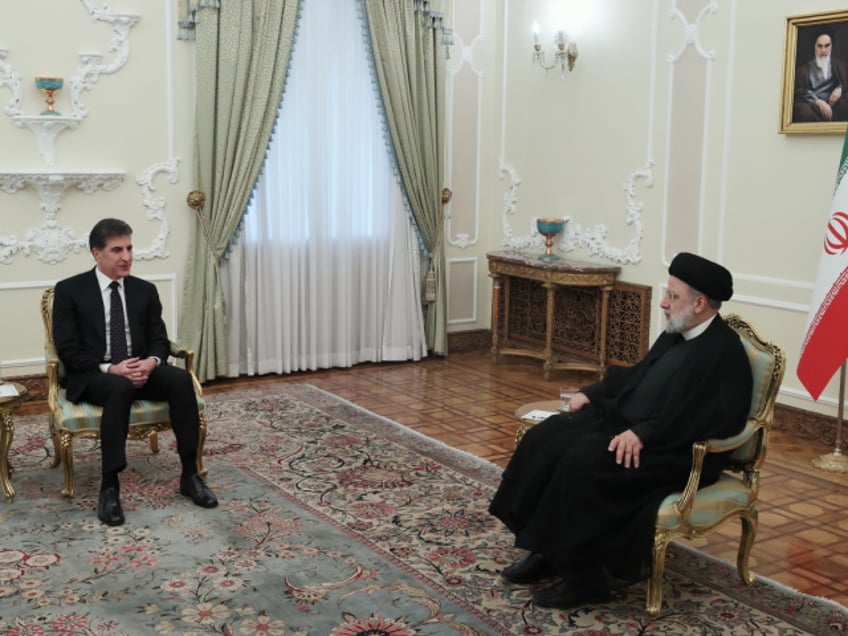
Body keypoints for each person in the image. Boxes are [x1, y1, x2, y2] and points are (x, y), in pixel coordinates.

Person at [489, 253, 753, 609]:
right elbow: (637, 375)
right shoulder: (678, 333)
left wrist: (645, 434)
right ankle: (547, 549)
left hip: (675, 452)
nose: (663, 303)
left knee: (580, 462)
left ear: (700, 303)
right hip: (629, 428)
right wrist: (591, 393)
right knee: (546, 437)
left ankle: (585, 579)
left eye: (672, 296)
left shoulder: (723, 352)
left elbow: (708, 419)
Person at [53, 218, 217, 526]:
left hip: (140, 368)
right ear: (96, 253)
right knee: (120, 387)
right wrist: (112, 368)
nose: (126, 256)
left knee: (181, 381)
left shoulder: (145, 290)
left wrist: (151, 362)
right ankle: (110, 486)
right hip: (95, 374)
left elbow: (159, 338)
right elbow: (68, 348)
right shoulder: (70, 291)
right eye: (117, 250)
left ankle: (190, 474)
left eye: (129, 248)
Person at [794, 29, 848, 122]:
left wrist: (840, 88)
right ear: (815, 47)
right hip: (813, 105)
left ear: (831, 46)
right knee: (802, 111)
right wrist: (818, 102)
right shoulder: (803, 70)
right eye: (820, 46)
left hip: (835, 104)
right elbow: (800, 91)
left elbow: (845, 83)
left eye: (827, 46)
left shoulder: (841, 65)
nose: (823, 50)